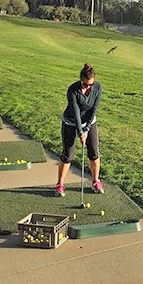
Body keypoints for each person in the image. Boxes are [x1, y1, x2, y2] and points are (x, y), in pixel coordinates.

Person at [55, 63, 104, 196]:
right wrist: (81, 132)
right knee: (68, 154)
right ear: (80, 80)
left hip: (89, 122)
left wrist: (87, 128)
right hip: (70, 122)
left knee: (94, 152)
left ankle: (95, 181)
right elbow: (76, 112)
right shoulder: (73, 90)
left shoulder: (98, 88)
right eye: (85, 85)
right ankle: (60, 185)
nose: (88, 88)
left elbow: (94, 110)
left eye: (91, 85)